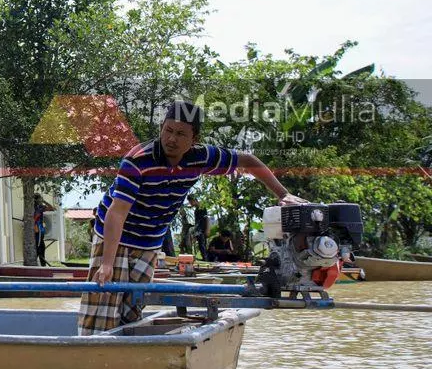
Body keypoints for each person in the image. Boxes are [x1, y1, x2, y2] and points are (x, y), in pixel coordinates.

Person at [78, 100, 304, 335]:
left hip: (149, 240)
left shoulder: (202, 157)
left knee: (133, 306)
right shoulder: (138, 160)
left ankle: (126, 355)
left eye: (180, 134)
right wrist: (106, 264)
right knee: (102, 303)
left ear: (194, 139)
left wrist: (284, 194)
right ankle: (89, 349)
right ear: (161, 129)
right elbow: (117, 212)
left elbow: (247, 160)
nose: (172, 139)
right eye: (168, 131)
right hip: (114, 234)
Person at [32, 195, 55, 266]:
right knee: (38, 248)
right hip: (37, 231)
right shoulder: (32, 208)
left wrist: (44, 201)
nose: (40, 201)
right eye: (39, 199)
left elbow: (52, 208)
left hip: (40, 231)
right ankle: (38, 264)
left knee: (41, 247)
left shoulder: (40, 207)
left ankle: (42, 264)